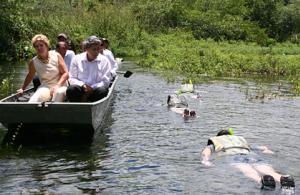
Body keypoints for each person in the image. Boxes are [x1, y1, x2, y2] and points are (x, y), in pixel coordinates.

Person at [201, 129, 295, 190]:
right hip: (252, 155)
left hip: (234, 156)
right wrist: (267, 150)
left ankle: (262, 181)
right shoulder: (239, 140)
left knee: (248, 171)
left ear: (218, 137)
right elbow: (262, 147)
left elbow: (207, 150)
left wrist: (206, 160)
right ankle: (282, 179)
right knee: (267, 170)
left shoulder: (217, 141)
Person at [17, 34, 69, 102]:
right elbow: (30, 76)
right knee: (34, 100)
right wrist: (22, 88)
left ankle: (54, 111)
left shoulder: (56, 55)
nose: (39, 48)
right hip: (45, 86)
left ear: (46, 45)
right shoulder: (33, 62)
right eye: (36, 46)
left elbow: (66, 73)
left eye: (41, 45)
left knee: (58, 94)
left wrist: (57, 86)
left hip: (61, 85)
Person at [66, 36, 111, 102]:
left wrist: (92, 88)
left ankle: (92, 105)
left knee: (103, 90)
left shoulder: (105, 60)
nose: (96, 52)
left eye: (98, 49)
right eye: (94, 49)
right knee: (71, 89)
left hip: (96, 90)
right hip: (81, 88)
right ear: (86, 49)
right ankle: (77, 106)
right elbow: (72, 78)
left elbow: (105, 81)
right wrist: (83, 85)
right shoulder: (76, 59)